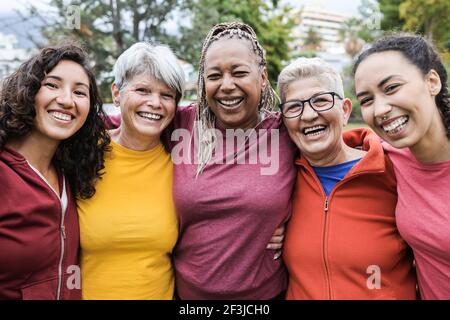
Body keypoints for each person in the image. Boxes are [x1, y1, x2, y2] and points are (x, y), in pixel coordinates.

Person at [170, 22, 297, 300]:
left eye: (239, 73)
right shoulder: (180, 126)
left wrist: (298, 227)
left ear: (262, 77)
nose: (227, 86)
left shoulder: (286, 132)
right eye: (214, 76)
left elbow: (334, 159)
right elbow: (110, 128)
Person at [278, 57, 417, 299]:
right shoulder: (280, 182)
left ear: (344, 110)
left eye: (321, 100)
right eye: (294, 107)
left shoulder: (395, 168)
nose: (308, 115)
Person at [76, 42, 185, 299]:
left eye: (167, 95)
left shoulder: (182, 164)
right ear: (116, 93)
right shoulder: (82, 154)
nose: (155, 103)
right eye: (142, 90)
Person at [0, 44, 109, 300]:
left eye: (79, 92)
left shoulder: (70, 172)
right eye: (52, 85)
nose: (66, 100)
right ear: (26, 92)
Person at [353, 34, 450, 299]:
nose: (381, 109)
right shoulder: (388, 157)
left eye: (392, 87)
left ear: (432, 82)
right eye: (367, 100)